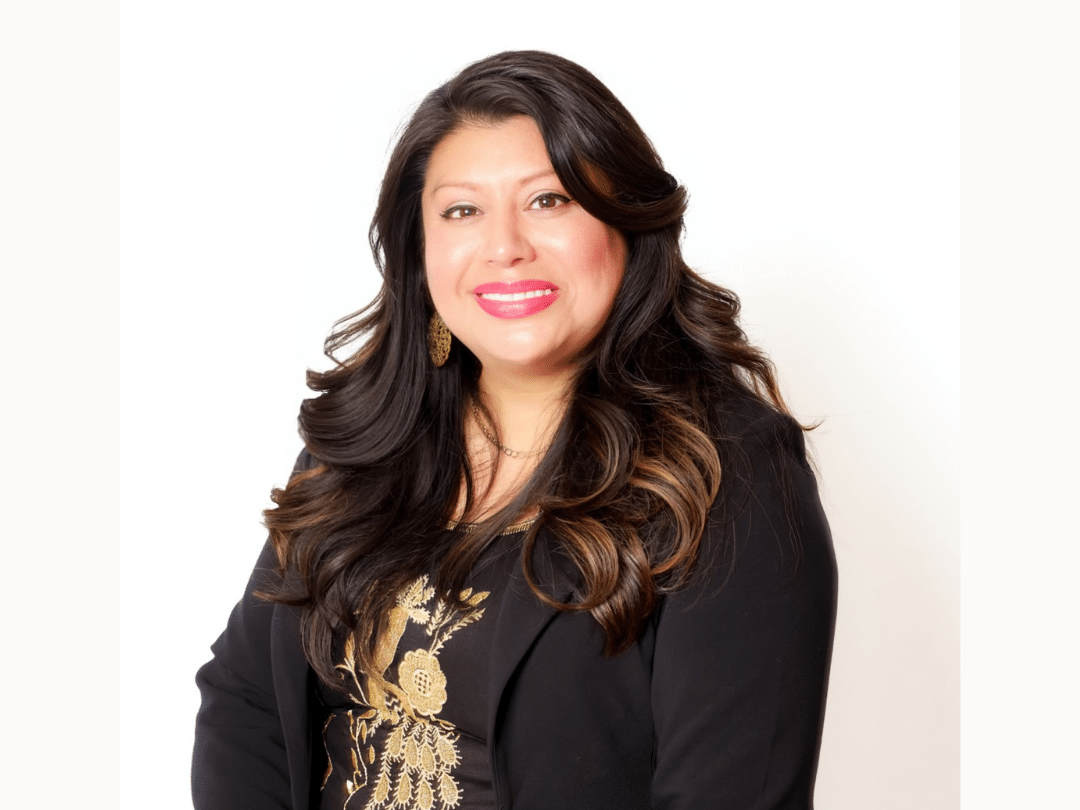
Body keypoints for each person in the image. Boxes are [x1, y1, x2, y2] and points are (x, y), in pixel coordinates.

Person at [192, 50, 837, 810]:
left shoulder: (730, 471)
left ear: (627, 225)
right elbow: (246, 698)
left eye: (549, 201)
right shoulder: (365, 439)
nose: (505, 246)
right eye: (462, 210)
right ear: (419, 251)